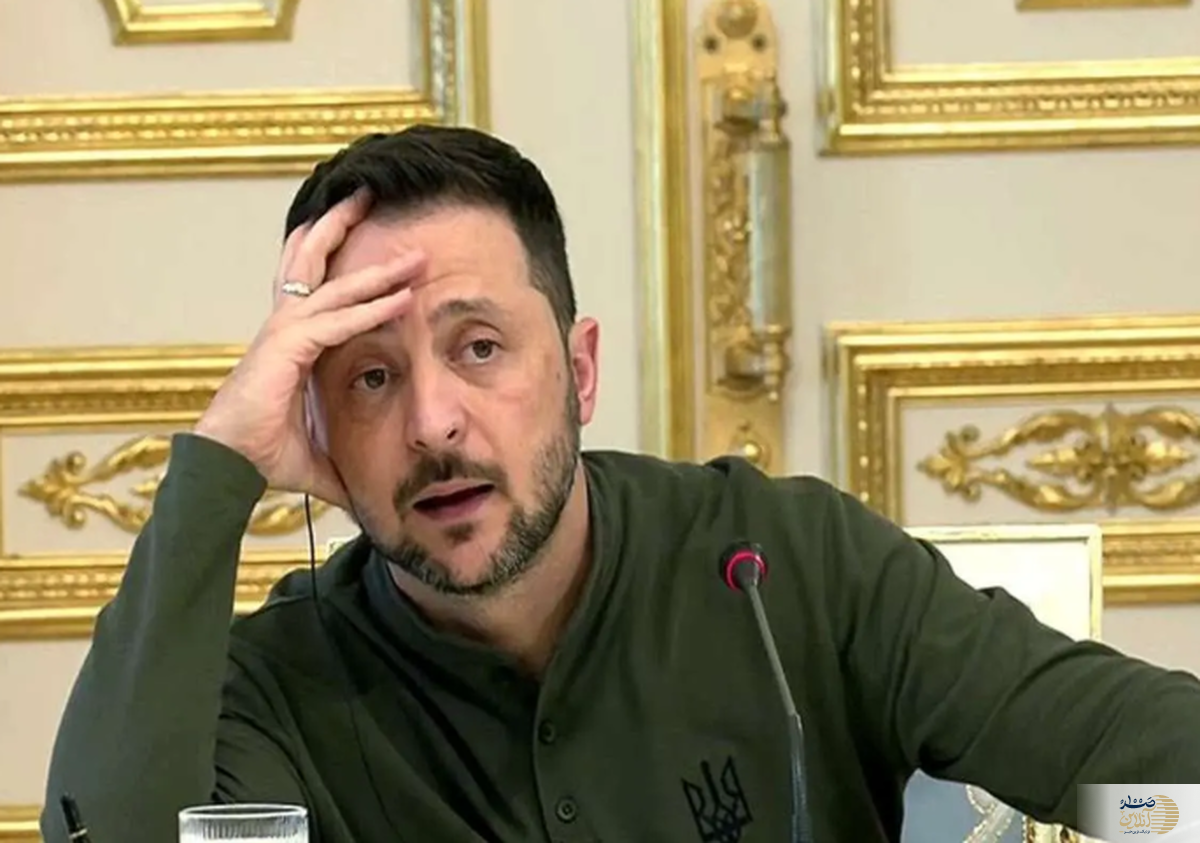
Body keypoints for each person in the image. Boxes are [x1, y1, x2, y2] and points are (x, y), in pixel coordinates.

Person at [40, 124, 1200, 843]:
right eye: (370, 379)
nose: (433, 422)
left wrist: (1144, 820)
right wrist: (218, 472)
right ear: (315, 425)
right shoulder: (278, 685)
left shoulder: (785, 570)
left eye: (478, 348)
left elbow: (1135, 774)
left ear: (580, 369)